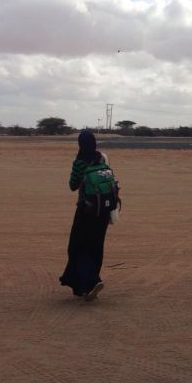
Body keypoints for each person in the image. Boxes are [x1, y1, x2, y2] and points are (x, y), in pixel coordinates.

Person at [59, 129, 111, 301]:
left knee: (76, 247)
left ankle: (91, 281)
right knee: (96, 246)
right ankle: (86, 285)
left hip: (86, 210)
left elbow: (73, 185)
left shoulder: (80, 162)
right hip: (103, 210)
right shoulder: (102, 158)